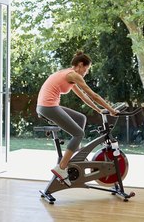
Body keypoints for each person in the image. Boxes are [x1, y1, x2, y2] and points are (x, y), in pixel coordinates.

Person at [36, 51, 118, 186]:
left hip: (46, 105)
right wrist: (111, 110)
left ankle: (77, 152)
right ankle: (61, 168)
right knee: (79, 133)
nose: (86, 72)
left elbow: (83, 97)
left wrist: (98, 110)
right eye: (86, 69)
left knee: (81, 118)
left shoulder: (69, 74)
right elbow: (94, 95)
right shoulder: (73, 75)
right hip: (48, 107)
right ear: (80, 65)